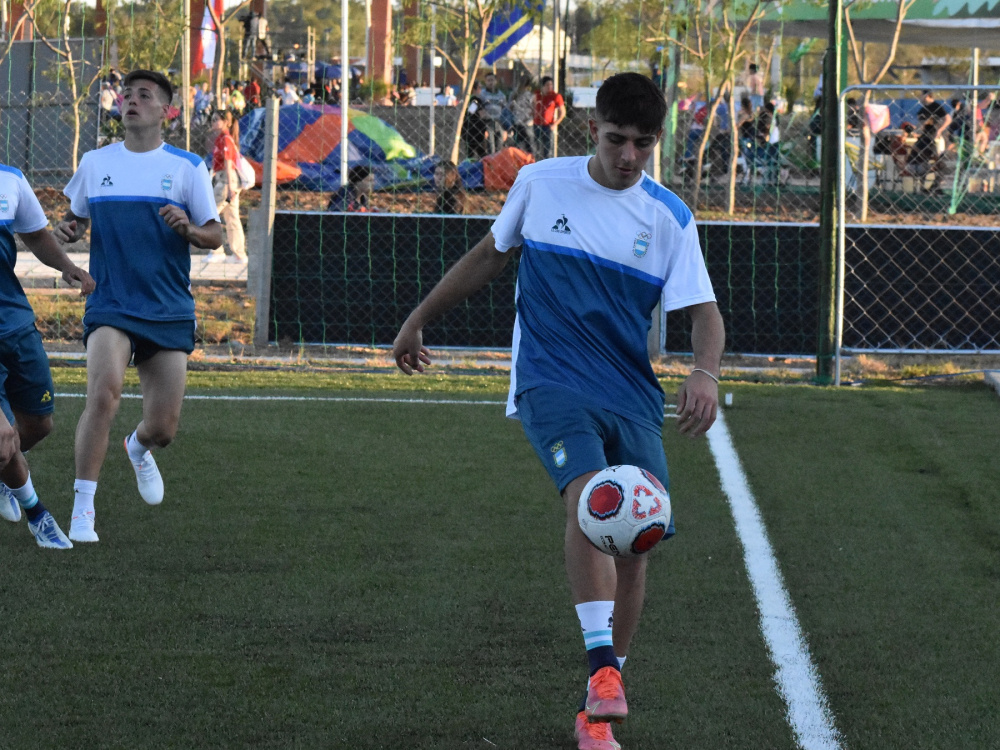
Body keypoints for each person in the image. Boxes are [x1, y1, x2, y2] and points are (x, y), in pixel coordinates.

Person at [392, 72, 724, 750]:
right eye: (614, 139)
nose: (627, 156)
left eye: (642, 143)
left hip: (630, 391)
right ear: (590, 128)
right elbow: (489, 254)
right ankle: (602, 664)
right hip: (550, 378)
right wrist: (418, 319)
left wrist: (704, 371)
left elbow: (705, 314)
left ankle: (597, 704)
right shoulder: (541, 183)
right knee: (592, 498)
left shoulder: (668, 217)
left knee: (639, 540)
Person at [54, 69, 223, 543]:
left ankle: (138, 446)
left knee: (164, 428)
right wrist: (70, 231)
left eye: (144, 95)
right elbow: (75, 220)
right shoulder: (94, 161)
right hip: (110, 302)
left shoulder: (187, 167)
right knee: (103, 393)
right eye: (126, 94)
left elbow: (216, 235)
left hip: (169, 307)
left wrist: (189, 229)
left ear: (166, 111)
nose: (130, 100)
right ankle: (82, 508)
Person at [0, 162, 95, 548]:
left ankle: (6, 471)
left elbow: (36, 236)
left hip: (14, 322)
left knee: (38, 426)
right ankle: (40, 518)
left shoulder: (11, 179)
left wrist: (69, 267)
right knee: (3, 437)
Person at [205, 109, 247, 263]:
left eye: (216, 119)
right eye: (213, 119)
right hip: (224, 179)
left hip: (227, 180)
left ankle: (217, 252)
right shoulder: (220, 139)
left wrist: (230, 188)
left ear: (226, 122)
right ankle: (239, 254)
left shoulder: (226, 139)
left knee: (210, 214)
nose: (213, 122)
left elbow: (229, 165)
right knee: (231, 217)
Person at [533, 76, 566, 160]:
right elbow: (532, 106)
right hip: (536, 124)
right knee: (535, 147)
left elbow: (562, 112)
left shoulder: (555, 96)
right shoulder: (537, 94)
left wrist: (555, 124)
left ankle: (547, 164)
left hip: (548, 126)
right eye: (547, 85)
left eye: (551, 85)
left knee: (547, 149)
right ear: (542, 86)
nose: (550, 87)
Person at [479, 73, 509, 152]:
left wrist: (505, 128)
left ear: (496, 81)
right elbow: (480, 110)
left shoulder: (501, 95)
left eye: (492, 80)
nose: (490, 82)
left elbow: (505, 111)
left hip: (499, 123)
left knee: (499, 145)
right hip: (487, 123)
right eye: (488, 80)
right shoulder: (482, 94)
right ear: (485, 82)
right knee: (491, 146)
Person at [462, 82, 490, 160]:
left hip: (467, 129)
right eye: (479, 88)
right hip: (477, 130)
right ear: (474, 89)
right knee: (482, 152)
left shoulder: (466, 99)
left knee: (470, 152)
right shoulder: (476, 100)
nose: (481, 90)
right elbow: (479, 114)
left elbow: (469, 113)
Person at [508, 75, 535, 154]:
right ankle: (530, 161)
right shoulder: (530, 95)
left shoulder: (514, 94)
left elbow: (510, 108)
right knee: (529, 146)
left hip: (518, 122)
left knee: (519, 146)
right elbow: (534, 110)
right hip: (525, 123)